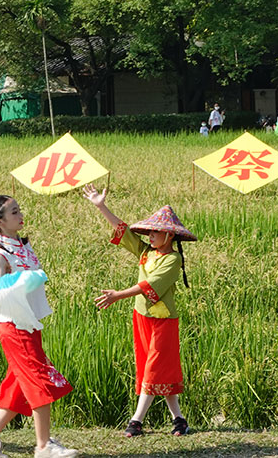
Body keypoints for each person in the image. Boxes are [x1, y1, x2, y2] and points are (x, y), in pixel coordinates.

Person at [0, 196, 77, 458]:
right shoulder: (1, 255)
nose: (20, 215)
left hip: (30, 324)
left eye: (19, 210)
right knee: (39, 380)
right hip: (14, 326)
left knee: (20, 385)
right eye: (13, 212)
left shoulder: (23, 247)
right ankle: (43, 446)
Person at [83, 186, 192, 437]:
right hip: (142, 317)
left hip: (163, 320)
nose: (151, 235)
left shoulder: (173, 260)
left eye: (156, 232)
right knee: (153, 367)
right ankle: (179, 419)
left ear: (170, 236)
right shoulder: (146, 252)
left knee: (154, 368)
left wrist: (117, 295)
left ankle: (136, 420)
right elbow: (122, 231)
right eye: (150, 231)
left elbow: (149, 286)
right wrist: (101, 205)